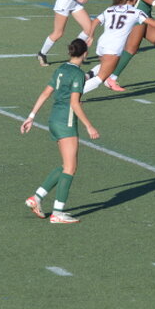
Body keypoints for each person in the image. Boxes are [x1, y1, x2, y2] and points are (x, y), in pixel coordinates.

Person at [21, 39, 99, 224]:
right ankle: (57, 213)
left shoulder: (61, 69)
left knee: (66, 166)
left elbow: (45, 93)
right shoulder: (78, 74)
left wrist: (31, 116)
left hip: (54, 119)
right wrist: (89, 125)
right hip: (66, 122)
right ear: (85, 54)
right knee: (70, 168)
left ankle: (36, 198)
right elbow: (74, 103)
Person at [83, 0, 155, 94]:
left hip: (102, 43)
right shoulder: (136, 12)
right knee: (101, 78)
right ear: (135, 0)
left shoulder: (110, 9)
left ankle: (87, 76)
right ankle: (73, 95)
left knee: (107, 65)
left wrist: (91, 36)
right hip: (113, 47)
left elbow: (95, 21)